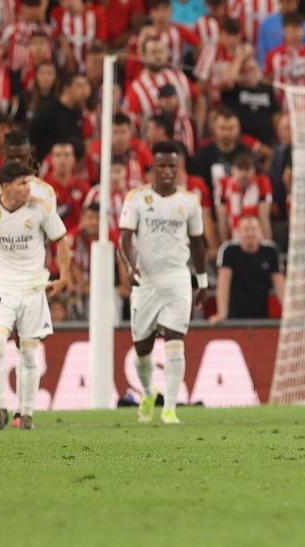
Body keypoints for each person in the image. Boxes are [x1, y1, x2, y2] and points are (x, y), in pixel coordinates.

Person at [0, 161, 72, 431]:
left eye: (29, 182)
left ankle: (25, 413)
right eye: (22, 183)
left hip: (33, 288)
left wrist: (64, 276)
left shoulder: (41, 208)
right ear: (6, 187)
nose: (29, 187)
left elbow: (61, 240)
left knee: (28, 354)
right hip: (0, 286)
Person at [117, 140, 208, 425]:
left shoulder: (189, 201)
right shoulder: (136, 198)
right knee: (142, 347)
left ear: (179, 168)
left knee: (174, 339)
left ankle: (169, 408)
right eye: (162, 166)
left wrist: (202, 280)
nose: (168, 171)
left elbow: (197, 242)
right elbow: (124, 238)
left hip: (177, 279)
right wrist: (130, 266)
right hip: (146, 282)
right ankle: (148, 391)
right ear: (152, 168)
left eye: (172, 166)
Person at [210, 214, 284, 322]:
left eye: (254, 229)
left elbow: (280, 285)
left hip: (262, 317)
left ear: (260, 231)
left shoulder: (271, 251)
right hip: (234, 318)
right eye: (246, 230)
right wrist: (222, 313)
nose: (250, 233)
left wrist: (288, 312)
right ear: (238, 232)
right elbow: (223, 283)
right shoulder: (229, 251)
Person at [0, 129, 58, 212]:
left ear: (29, 155)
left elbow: (51, 220)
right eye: (11, 157)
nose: (17, 162)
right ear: (4, 156)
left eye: (21, 157)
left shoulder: (45, 191)